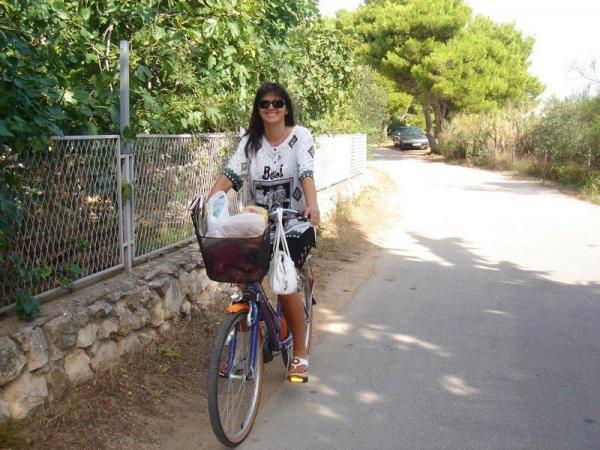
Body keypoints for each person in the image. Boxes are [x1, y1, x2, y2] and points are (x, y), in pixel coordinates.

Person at [208, 82, 320, 382]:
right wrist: (208, 201)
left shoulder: (300, 137)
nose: (271, 108)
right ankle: (245, 350)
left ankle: (300, 352)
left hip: (294, 220)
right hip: (260, 222)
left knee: (283, 282)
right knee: (244, 279)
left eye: (277, 103)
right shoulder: (250, 142)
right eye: (265, 104)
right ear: (258, 110)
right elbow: (230, 174)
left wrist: (312, 204)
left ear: (286, 108)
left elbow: (306, 173)